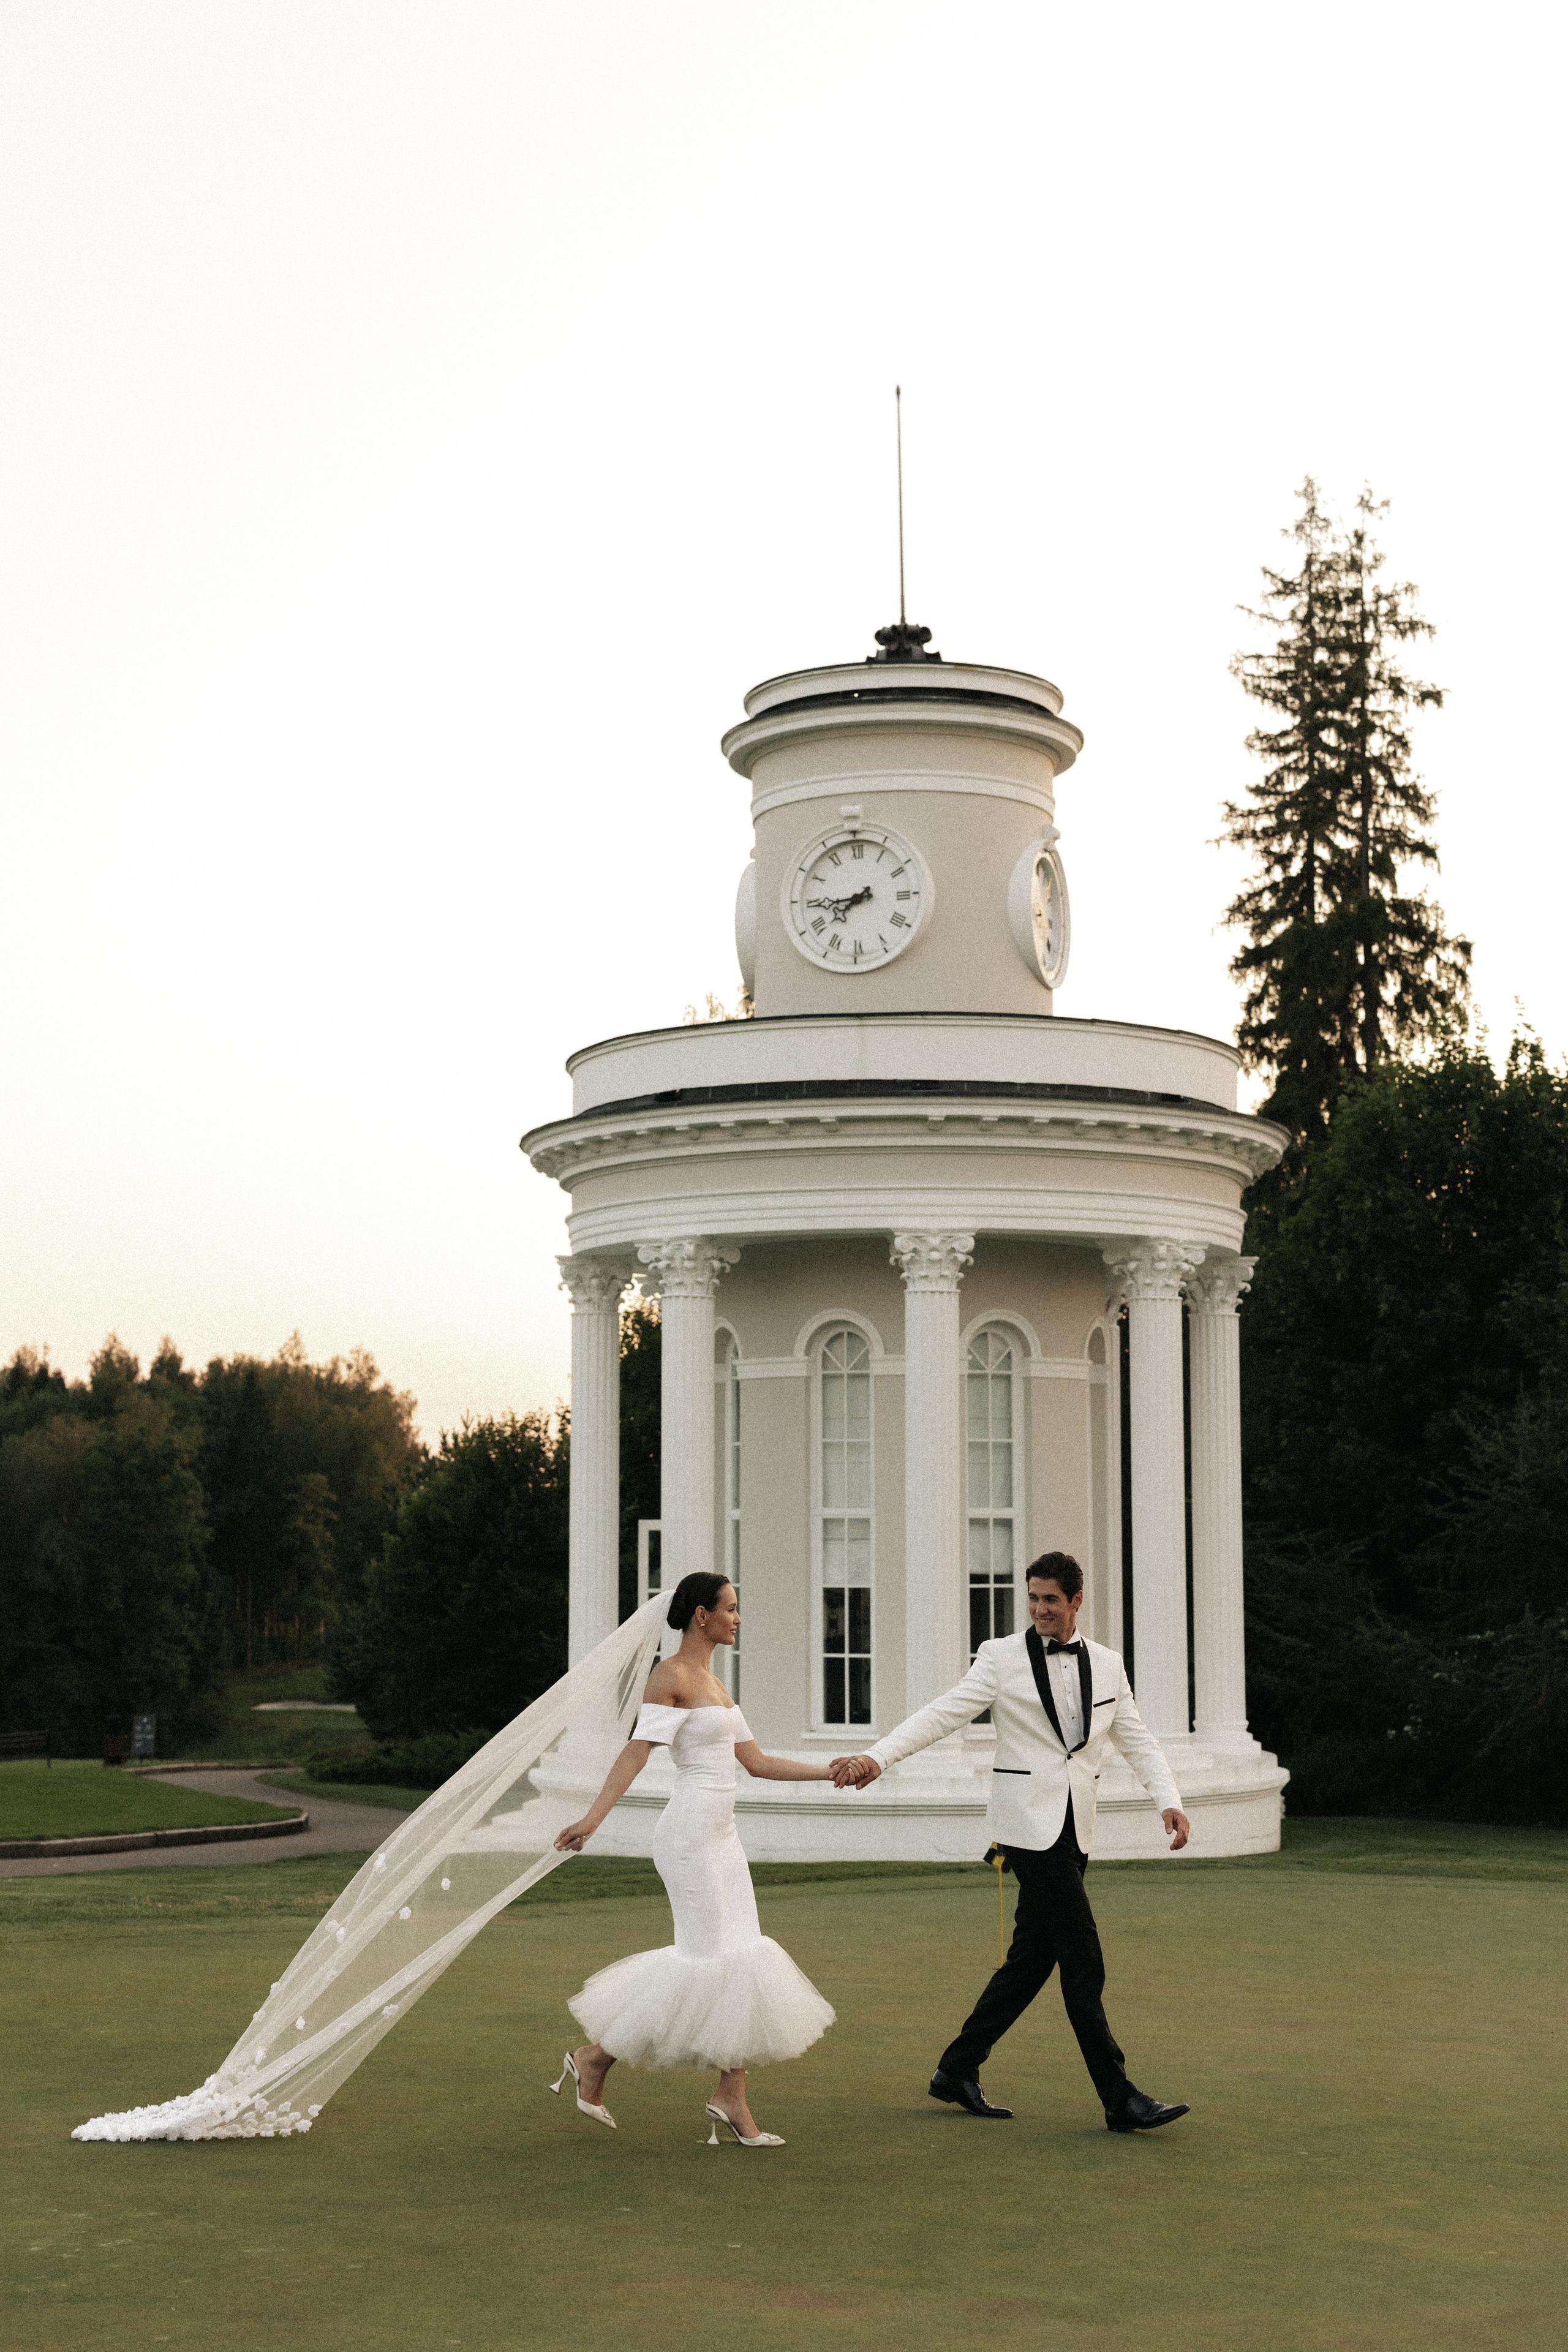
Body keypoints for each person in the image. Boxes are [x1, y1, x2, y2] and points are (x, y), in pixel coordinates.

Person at [831, 1552, 1193, 2133]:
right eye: (1033, 1598)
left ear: (1077, 1601)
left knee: (1031, 1961)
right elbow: (942, 1714)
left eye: (1051, 1599)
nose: (1040, 1609)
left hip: (1077, 1828)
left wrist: (1168, 1799)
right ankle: (1119, 2097)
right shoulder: (999, 1658)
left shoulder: (1108, 1664)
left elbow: (1138, 1738)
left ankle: (956, 2069)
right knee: (1083, 1960)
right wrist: (878, 1757)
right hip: (1027, 1829)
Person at [551, 1571, 837, 2147]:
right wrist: (592, 1819)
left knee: (741, 1955)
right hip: (686, 1838)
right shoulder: (672, 1676)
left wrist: (832, 1770)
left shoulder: (716, 1685)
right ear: (701, 1616)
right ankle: (595, 2060)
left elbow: (757, 1763)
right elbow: (637, 1751)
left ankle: (730, 2094)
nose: (737, 1618)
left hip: (723, 1839)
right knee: (702, 1960)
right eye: (730, 1609)